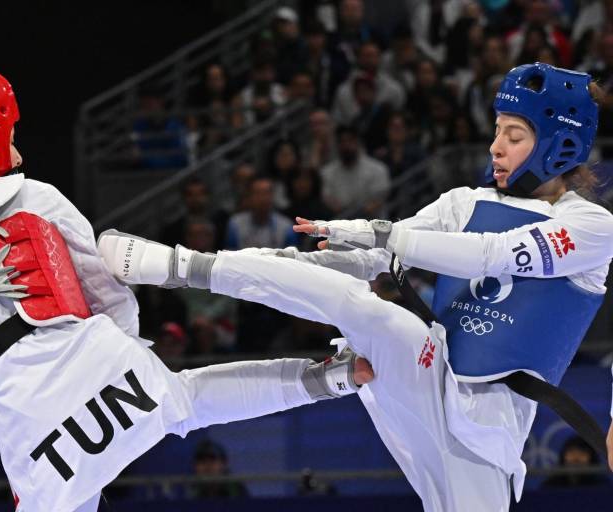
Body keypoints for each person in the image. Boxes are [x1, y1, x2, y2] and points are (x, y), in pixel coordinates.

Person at [99, 62, 613, 511]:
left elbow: (491, 253)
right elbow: (378, 259)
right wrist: (293, 257)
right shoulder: (463, 202)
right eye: (497, 130)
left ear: (558, 145)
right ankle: (178, 264)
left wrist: (379, 233)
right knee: (368, 311)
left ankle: (336, 373)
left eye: (514, 135)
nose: (495, 146)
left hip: (486, 442)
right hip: (425, 374)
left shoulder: (592, 228)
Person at [0, 66, 375, 512]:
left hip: (16, 402)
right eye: (9, 136)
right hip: (83, 349)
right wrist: (120, 353)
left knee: (70, 493)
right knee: (185, 400)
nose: (18, 151)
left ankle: (330, 378)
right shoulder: (35, 197)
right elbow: (107, 291)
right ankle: (331, 377)